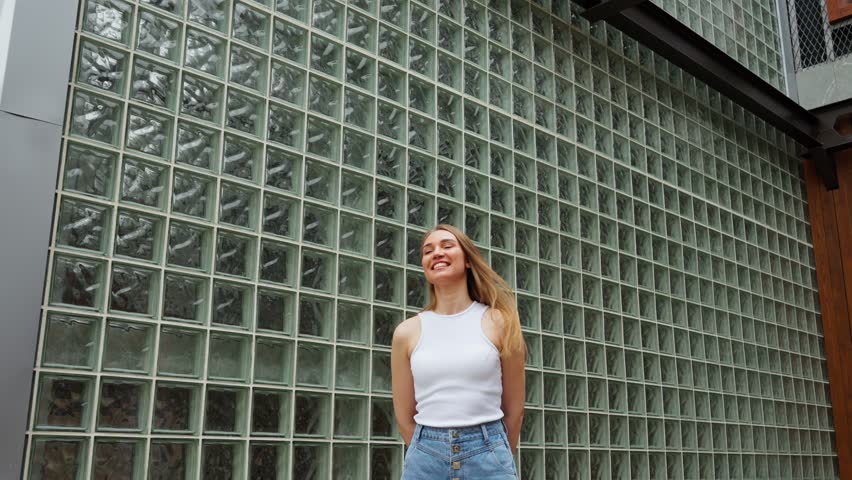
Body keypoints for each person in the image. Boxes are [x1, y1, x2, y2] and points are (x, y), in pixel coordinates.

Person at [391, 224, 526, 479]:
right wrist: (430, 448)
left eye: (447, 246)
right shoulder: (406, 333)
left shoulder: (500, 322)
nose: (437, 253)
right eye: (428, 250)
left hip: (488, 454)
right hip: (426, 459)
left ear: (467, 260)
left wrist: (495, 452)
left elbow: (515, 409)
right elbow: (404, 417)